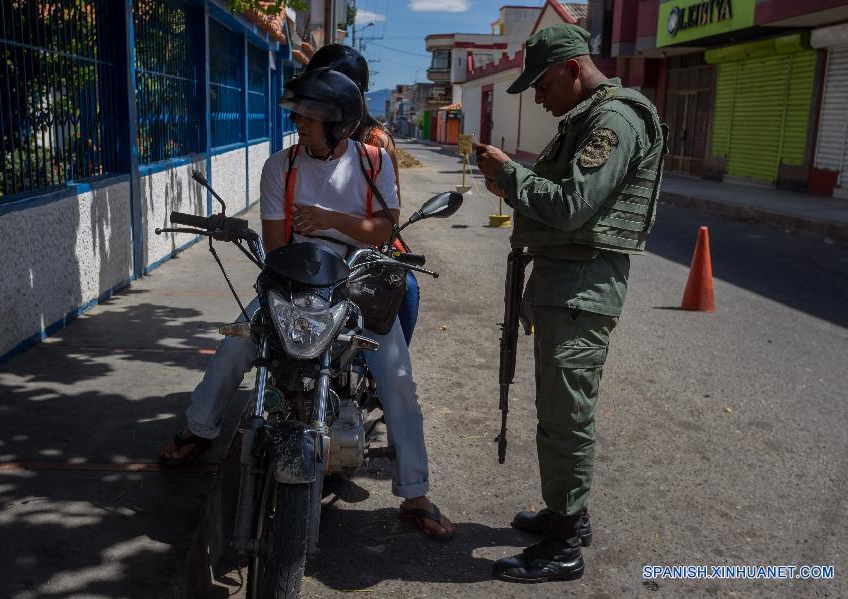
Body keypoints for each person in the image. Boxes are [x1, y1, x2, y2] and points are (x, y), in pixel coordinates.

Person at [160, 67, 455, 539]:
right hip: (293, 278)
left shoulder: (374, 162)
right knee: (236, 345)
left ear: (339, 123)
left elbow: (383, 230)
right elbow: (277, 243)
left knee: (397, 378)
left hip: (358, 277)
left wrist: (326, 220)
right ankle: (200, 428)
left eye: (310, 117)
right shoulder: (282, 166)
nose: (299, 123)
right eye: (297, 115)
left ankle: (415, 491)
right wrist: (314, 243)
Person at [475, 24, 665, 583]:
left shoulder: (613, 120)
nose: (537, 95)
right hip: (568, 285)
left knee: (566, 416)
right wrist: (512, 181)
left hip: (583, 289)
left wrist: (511, 177)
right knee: (559, 411)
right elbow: (559, 197)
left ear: (574, 69)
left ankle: (563, 547)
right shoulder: (584, 120)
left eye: (542, 83)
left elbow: (573, 205)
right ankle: (568, 515)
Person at [306, 44, 420, 346]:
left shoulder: (375, 142)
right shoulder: (311, 132)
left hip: (365, 242)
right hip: (316, 242)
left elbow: (386, 215)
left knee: (406, 287)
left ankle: (392, 368)